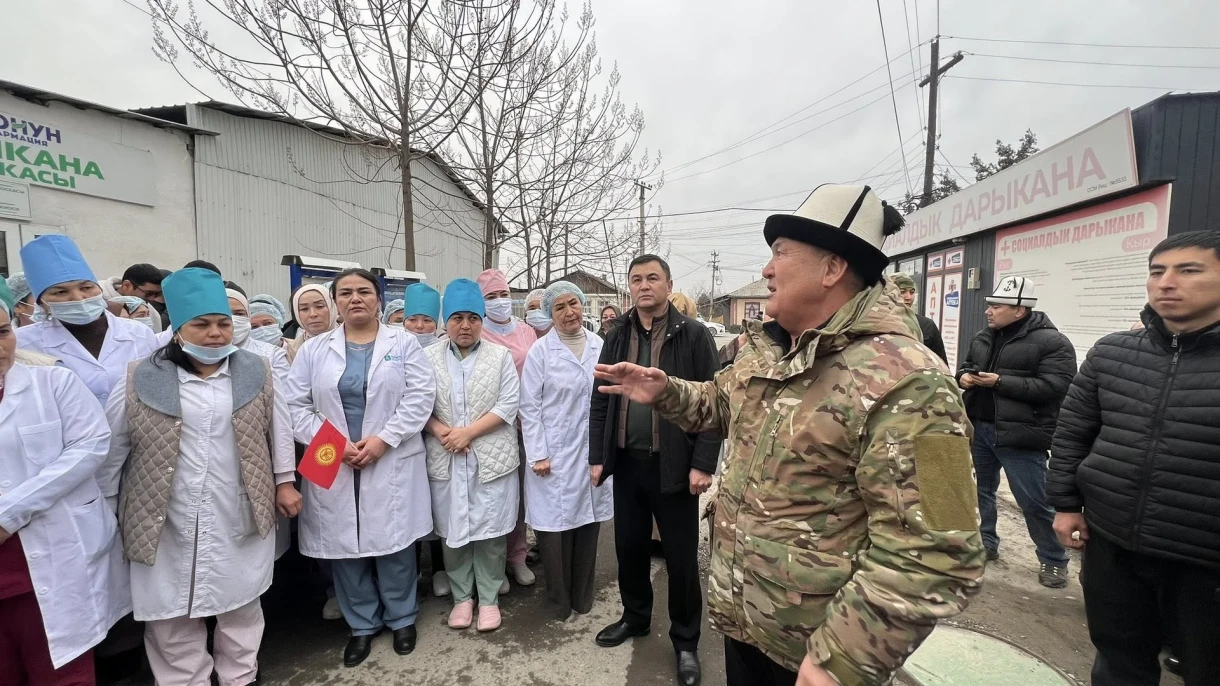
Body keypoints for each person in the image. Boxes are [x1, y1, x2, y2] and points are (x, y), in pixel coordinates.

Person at [594, 184, 985, 686]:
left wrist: (839, 661)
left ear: (832, 268)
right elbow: (720, 404)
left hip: (814, 656)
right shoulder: (773, 352)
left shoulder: (915, 382)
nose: (766, 270)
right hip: (745, 627)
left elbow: (941, 551)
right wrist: (666, 390)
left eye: (780, 253)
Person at [101, 267, 301, 686]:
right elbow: (114, 446)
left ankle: (240, 676)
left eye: (223, 324)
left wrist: (284, 481)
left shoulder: (256, 369)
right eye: (202, 324)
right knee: (169, 610)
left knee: (240, 601)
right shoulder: (140, 375)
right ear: (178, 329)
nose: (215, 333)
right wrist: (106, 504)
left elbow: (279, 430)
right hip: (162, 509)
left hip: (237, 503)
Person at [1049, 231, 1220, 686]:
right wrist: (1066, 504)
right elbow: (1073, 432)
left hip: (1203, 559)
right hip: (1113, 543)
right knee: (1118, 660)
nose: (1166, 282)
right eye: (1156, 271)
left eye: (1189, 270)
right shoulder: (1112, 353)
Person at [287, 268, 436, 668]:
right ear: (336, 302)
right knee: (342, 546)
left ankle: (402, 619)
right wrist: (335, 445)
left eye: (364, 292)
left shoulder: (403, 343)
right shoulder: (314, 350)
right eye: (346, 293)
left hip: (389, 454)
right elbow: (295, 404)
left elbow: (421, 396)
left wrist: (384, 439)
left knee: (395, 543)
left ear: (378, 299)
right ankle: (362, 625)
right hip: (330, 456)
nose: (355, 298)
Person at [588, 254, 720, 686]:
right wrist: (598, 456)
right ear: (629, 287)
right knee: (629, 548)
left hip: (675, 467)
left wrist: (703, 462)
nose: (644, 285)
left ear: (668, 284)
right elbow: (601, 400)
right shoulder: (616, 334)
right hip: (627, 463)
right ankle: (636, 617)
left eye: (652, 278)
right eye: (636, 279)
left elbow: (714, 402)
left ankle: (685, 641)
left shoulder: (693, 335)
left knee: (681, 559)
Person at [0, 299, 130, 686]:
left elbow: (90, 445)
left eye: (3, 332)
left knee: (61, 673)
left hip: (51, 559)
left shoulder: (53, 383)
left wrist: (9, 514)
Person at [956, 275, 1075, 588]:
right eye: (990, 305)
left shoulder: (1053, 342)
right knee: (980, 492)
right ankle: (986, 543)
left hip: (1021, 435)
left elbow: (1057, 387)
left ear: (1020, 310)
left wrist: (1000, 382)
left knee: (1034, 501)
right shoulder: (983, 336)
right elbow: (966, 366)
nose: (988, 311)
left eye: (997, 306)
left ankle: (1053, 559)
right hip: (980, 429)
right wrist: (964, 377)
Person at [423, 279, 521, 633]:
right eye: (457, 318)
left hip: (490, 457)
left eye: (473, 318)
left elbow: (508, 404)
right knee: (454, 531)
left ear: (482, 320)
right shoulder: (427, 358)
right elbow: (417, 404)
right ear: (446, 321)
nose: (465, 325)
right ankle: (462, 598)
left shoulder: (500, 357)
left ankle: (489, 599)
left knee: (491, 532)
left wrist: (468, 432)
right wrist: (441, 431)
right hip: (446, 454)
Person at [519, 281, 612, 621]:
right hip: (553, 455)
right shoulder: (541, 352)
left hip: (592, 451)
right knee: (555, 530)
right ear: (550, 313)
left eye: (573, 303)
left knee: (588, 522)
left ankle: (583, 597)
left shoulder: (601, 346)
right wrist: (538, 453)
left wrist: (607, 449)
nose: (569, 312)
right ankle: (559, 601)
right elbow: (528, 406)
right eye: (560, 307)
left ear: (582, 305)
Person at [15, 235, 159, 405]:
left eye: (86, 287)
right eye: (60, 292)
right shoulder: (22, 343)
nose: (78, 298)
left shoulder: (139, 333)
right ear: (42, 303)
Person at [475, 268, 538, 589]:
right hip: (491, 425)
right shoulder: (477, 331)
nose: (499, 301)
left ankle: (517, 556)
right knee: (495, 497)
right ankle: (494, 563)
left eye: (503, 295)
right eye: (491, 296)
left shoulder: (526, 331)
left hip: (526, 423)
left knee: (522, 496)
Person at [228, 288, 295, 560]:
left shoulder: (268, 357)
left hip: (261, 460)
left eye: (238, 313)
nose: (232, 321)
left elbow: (282, 418)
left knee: (265, 548)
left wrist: (285, 479)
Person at [890, 272, 947, 363]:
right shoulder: (879, 323)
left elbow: (941, 363)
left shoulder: (927, 325)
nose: (908, 297)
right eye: (902, 292)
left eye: (912, 292)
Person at [285, 284, 338, 363]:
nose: (312, 314)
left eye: (319, 306)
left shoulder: (351, 339)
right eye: (304, 309)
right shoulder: (291, 350)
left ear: (332, 307)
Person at [403, 283, 442, 349]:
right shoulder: (393, 349)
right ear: (403, 323)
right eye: (412, 320)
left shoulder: (445, 352)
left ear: (436, 325)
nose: (419, 326)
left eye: (427, 320)